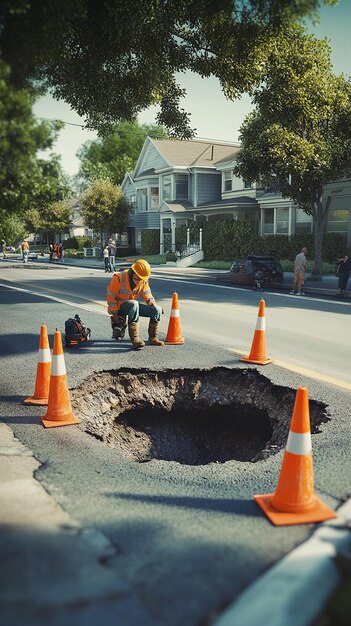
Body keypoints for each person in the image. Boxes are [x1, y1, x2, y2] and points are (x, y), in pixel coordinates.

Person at [106, 259, 164, 349]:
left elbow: (147, 294)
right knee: (134, 304)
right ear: (132, 272)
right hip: (119, 308)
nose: (140, 281)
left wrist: (152, 302)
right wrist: (115, 315)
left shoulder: (143, 280)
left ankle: (153, 338)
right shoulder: (118, 278)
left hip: (133, 307)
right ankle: (135, 339)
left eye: (142, 278)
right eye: (138, 278)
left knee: (157, 310)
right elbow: (110, 297)